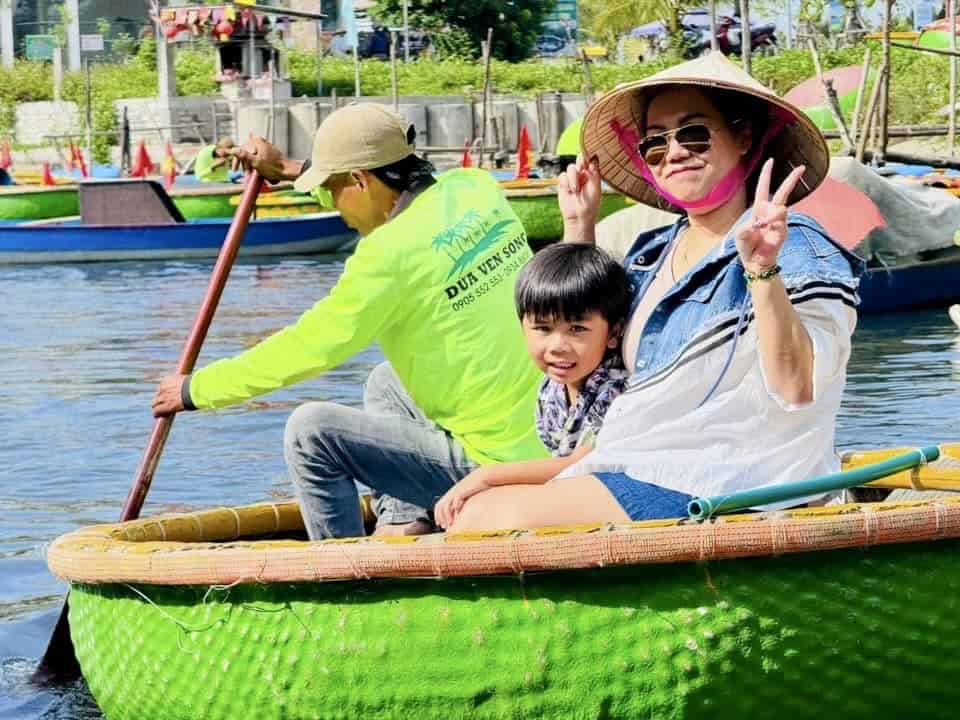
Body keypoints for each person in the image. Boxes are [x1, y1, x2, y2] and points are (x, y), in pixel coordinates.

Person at [446, 52, 864, 533]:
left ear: (743, 137)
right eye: (655, 143)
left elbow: (798, 387)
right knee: (476, 506)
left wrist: (762, 271)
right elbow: (588, 367)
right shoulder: (652, 254)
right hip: (636, 465)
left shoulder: (800, 245)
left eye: (693, 134)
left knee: (485, 517)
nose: (675, 152)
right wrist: (579, 226)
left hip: (733, 483)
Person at [151, 103, 547, 539]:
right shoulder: (474, 187)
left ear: (360, 180)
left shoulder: (385, 257)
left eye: (333, 190)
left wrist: (195, 390)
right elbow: (363, 177)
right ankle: (403, 522)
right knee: (385, 382)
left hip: (497, 470)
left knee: (310, 433)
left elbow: (306, 348)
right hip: (548, 438)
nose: (336, 207)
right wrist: (287, 169)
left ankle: (346, 570)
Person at [434, 243, 630, 529]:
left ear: (614, 332)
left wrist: (486, 476)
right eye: (543, 328)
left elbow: (579, 463)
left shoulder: (614, 390)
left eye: (577, 329)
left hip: (610, 497)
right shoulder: (552, 390)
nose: (557, 346)